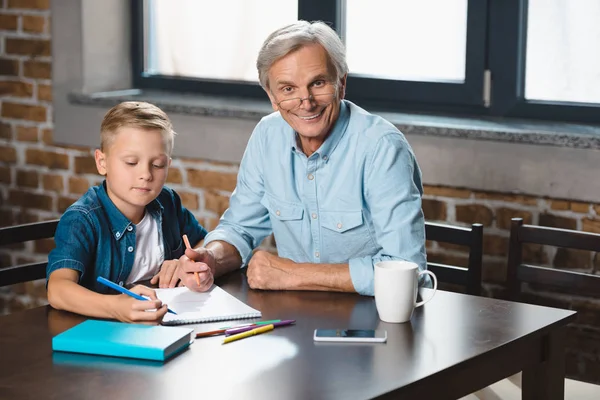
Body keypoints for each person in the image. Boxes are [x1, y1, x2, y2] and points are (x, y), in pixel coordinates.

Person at [178, 21, 427, 296]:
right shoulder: (267, 135)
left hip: (373, 319)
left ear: (341, 84)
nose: (305, 102)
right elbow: (240, 227)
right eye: (288, 89)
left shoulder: (382, 148)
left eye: (318, 83)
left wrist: (291, 274)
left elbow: (407, 270)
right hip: (295, 319)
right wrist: (212, 258)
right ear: (272, 96)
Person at [47, 101, 208, 323]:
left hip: (164, 326)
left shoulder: (167, 202)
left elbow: (202, 243)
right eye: (131, 162)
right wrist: (115, 307)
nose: (146, 174)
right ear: (102, 162)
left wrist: (186, 262)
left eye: (158, 165)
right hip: (103, 335)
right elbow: (58, 289)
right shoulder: (82, 219)